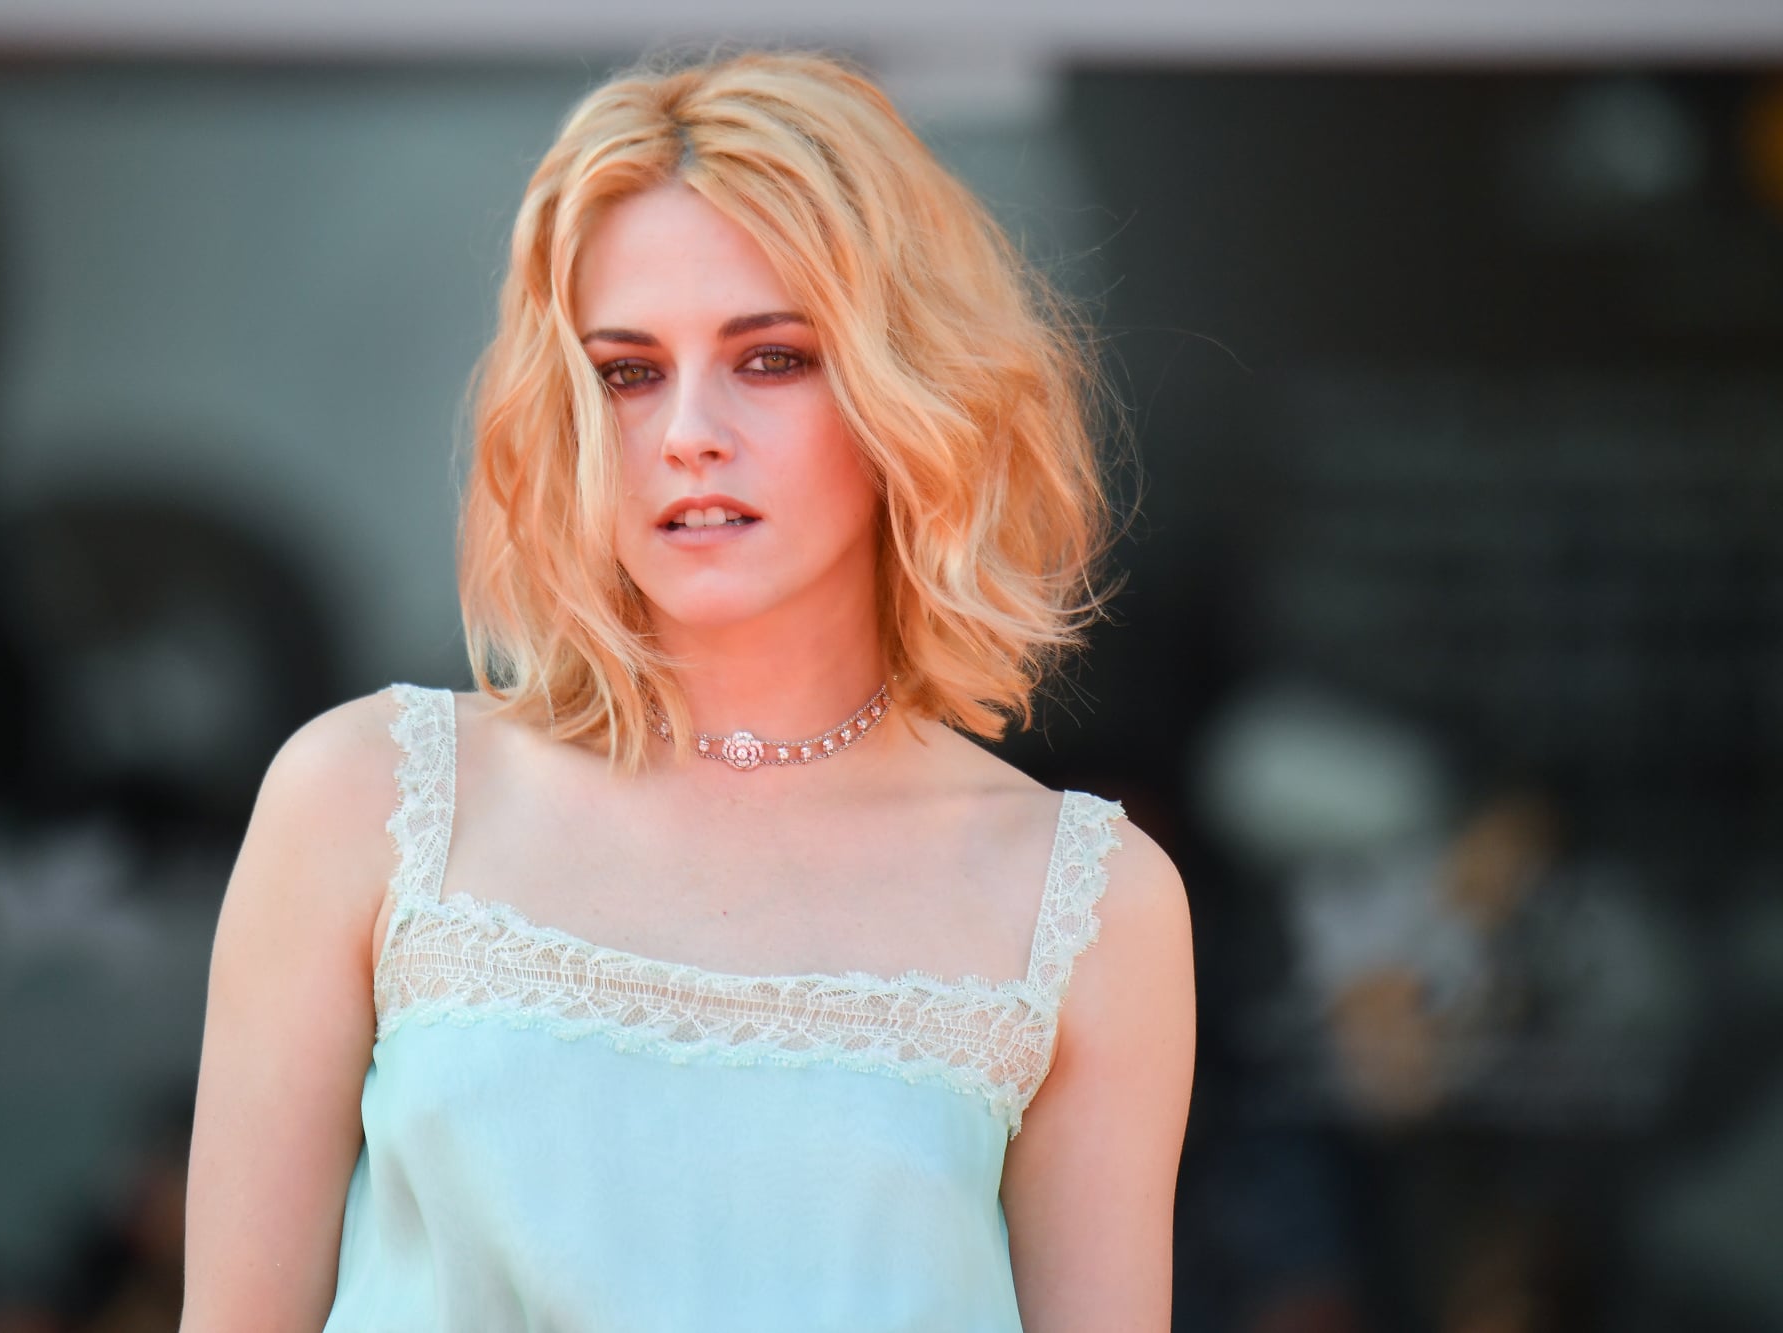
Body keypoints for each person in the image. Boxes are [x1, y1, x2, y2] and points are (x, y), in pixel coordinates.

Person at [181, 49, 1194, 1333]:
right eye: (627, 371)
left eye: (769, 359)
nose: (687, 433)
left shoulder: (1088, 906)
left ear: (909, 389)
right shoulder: (362, 801)